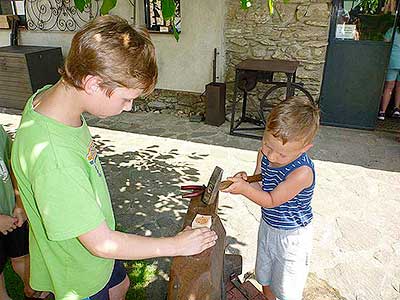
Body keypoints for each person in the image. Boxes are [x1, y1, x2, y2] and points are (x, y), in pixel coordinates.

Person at [11, 15, 217, 300]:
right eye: (125, 98)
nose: (130, 108)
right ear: (93, 84)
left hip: (96, 240)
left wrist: (22, 200)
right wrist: (177, 245)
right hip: (81, 273)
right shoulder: (55, 159)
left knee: (120, 286)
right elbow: (103, 244)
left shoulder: (46, 99)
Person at [221, 97, 320, 300]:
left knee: (287, 288)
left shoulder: (301, 173)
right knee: (265, 277)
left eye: (282, 155)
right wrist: (248, 181)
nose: (272, 157)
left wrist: (244, 190)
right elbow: (261, 183)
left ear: (304, 148)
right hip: (268, 226)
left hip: (291, 238)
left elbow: (271, 200)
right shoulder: (264, 154)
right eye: (267, 145)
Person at [0, 126, 51, 300]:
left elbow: (14, 163)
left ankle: (34, 290)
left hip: (12, 213)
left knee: (22, 257)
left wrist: (20, 203)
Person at [378, 19, 400, 120]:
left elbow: (385, 43)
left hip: (394, 61)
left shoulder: (392, 30)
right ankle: (396, 108)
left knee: (389, 87)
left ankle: (382, 112)